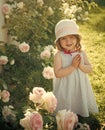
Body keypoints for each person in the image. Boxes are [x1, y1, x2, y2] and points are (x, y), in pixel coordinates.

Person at [53, 19, 98, 117]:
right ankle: (66, 111)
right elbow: (58, 73)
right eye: (63, 38)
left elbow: (89, 69)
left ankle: (80, 108)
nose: (68, 41)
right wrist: (72, 66)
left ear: (77, 38)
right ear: (59, 41)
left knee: (78, 96)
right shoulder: (59, 55)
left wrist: (81, 66)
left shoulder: (81, 53)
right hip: (65, 86)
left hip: (80, 85)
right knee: (67, 99)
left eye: (71, 37)